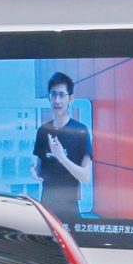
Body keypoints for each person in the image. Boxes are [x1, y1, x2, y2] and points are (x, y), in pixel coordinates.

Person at [31, 70, 92, 223]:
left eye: (61, 95)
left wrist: (61, 157)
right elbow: (39, 167)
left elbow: (85, 177)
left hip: (70, 208)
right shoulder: (43, 131)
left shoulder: (80, 130)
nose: (57, 100)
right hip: (46, 207)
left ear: (71, 98)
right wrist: (34, 170)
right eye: (53, 95)